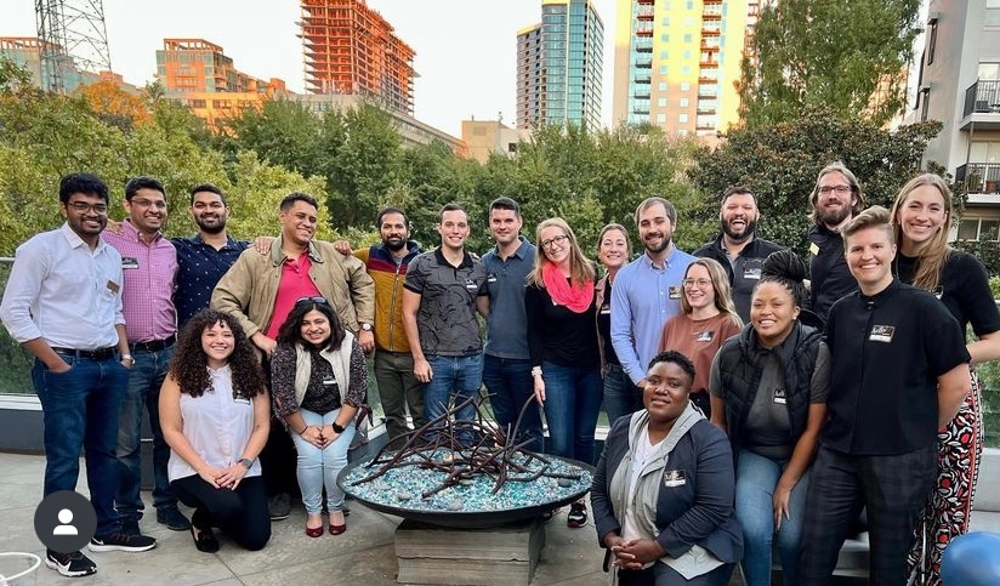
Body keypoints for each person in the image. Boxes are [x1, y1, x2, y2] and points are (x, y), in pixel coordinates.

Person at [800, 206, 972, 586]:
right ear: (846, 255)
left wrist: (916, 432)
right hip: (838, 455)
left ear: (893, 250)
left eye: (876, 246)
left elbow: (957, 385)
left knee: (889, 565)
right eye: (857, 249)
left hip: (900, 457)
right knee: (812, 555)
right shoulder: (841, 312)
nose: (867, 256)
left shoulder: (926, 309)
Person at [0, 172, 155, 578]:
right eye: (82, 206)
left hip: (110, 365)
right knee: (65, 459)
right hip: (66, 368)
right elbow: (13, 312)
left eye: (98, 207)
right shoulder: (41, 249)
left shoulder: (108, 255)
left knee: (105, 453)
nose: (92, 214)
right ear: (64, 208)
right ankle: (61, 545)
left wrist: (123, 356)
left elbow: (115, 309)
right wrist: (55, 363)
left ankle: (106, 528)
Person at [212, 191, 374, 521]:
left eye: (313, 219)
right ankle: (279, 491)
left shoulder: (329, 253)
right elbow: (223, 299)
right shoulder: (255, 258)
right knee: (273, 422)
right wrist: (256, 335)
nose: (307, 224)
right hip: (275, 354)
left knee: (330, 415)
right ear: (282, 217)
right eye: (300, 216)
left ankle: (328, 491)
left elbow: (363, 279)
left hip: (326, 354)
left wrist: (363, 326)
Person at [890, 174, 1000, 586]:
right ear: (899, 210)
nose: (922, 216)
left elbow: (996, 341)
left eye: (934, 208)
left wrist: (949, 359)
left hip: (954, 408)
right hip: (899, 406)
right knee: (899, 517)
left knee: (946, 518)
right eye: (915, 206)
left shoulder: (961, 267)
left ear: (946, 217)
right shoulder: (882, 261)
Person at [709, 250, 829, 586]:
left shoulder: (817, 353)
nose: (765, 312)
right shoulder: (730, 354)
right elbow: (718, 422)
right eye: (759, 304)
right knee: (753, 529)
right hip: (755, 453)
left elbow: (814, 429)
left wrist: (786, 485)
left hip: (802, 456)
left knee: (791, 535)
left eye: (777, 304)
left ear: (795, 312)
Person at [591, 351, 742, 586]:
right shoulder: (622, 429)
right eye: (654, 381)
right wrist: (611, 537)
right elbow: (599, 490)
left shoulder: (709, 439)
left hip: (696, 548)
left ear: (688, 393)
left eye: (674, 384)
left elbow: (713, 508)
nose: (661, 389)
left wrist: (656, 548)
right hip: (636, 551)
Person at [102, 176, 189, 534]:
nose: (154, 210)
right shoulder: (108, 241)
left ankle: (167, 503)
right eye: (145, 203)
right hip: (128, 356)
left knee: (170, 432)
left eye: (160, 204)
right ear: (127, 206)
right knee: (126, 442)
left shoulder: (171, 249)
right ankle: (127, 513)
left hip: (168, 353)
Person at [159, 309, 271, 553]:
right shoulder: (177, 377)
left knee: (256, 539)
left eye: (227, 335)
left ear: (236, 341)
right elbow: (171, 430)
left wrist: (243, 464)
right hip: (195, 470)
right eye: (211, 334)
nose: (220, 340)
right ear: (198, 338)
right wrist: (204, 469)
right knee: (226, 506)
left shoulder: (251, 376)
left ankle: (224, 510)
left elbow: (262, 426)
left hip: (241, 469)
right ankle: (202, 521)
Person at [526, 217, 602, 529]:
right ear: (542, 248)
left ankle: (579, 500)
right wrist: (537, 373)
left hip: (591, 370)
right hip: (556, 369)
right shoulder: (537, 284)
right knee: (560, 440)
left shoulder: (592, 275)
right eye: (547, 242)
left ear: (570, 239)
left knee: (585, 437)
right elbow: (533, 332)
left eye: (559, 239)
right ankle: (559, 496)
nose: (555, 246)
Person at [269, 297, 366, 537]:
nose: (313, 328)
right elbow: (283, 396)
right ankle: (313, 511)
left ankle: (334, 508)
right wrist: (303, 430)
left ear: (331, 322)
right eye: (306, 323)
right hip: (302, 412)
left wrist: (337, 427)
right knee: (310, 456)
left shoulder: (349, 344)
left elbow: (357, 391)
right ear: (297, 325)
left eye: (319, 321)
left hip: (341, 409)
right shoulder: (286, 348)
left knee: (334, 456)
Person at [335, 207, 425, 449]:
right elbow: (329, 257)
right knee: (393, 414)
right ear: (380, 230)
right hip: (383, 353)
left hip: (415, 352)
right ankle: (399, 459)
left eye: (398, 226)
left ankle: (426, 459)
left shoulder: (423, 262)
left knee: (421, 413)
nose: (393, 231)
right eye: (388, 227)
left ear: (408, 230)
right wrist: (341, 246)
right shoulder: (369, 257)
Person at [401, 203, 489, 437]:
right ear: (439, 228)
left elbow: (486, 310)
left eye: (461, 225)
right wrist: (419, 359)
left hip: (472, 358)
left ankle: (464, 472)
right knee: (434, 426)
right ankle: (438, 470)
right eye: (449, 225)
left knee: (467, 426)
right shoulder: (421, 264)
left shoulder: (478, 267)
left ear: (468, 230)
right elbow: (408, 313)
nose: (455, 230)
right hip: (435, 359)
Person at [610, 197, 696, 424]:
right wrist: (640, 379)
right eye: (645, 223)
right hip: (645, 386)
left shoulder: (695, 269)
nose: (652, 229)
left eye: (659, 221)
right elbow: (619, 334)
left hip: (689, 387)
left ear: (673, 225)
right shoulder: (625, 277)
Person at [482, 197, 543, 452]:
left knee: (528, 427)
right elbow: (484, 307)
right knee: (504, 426)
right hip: (493, 358)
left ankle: (533, 480)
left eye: (508, 220)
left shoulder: (537, 258)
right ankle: (509, 476)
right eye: (497, 221)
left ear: (520, 222)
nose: (503, 226)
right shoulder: (485, 262)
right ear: (490, 224)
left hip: (526, 359)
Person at [659, 257, 742, 418]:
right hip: (670, 407)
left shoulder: (729, 325)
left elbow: (734, 382)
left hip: (708, 410)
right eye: (689, 282)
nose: (694, 288)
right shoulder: (673, 324)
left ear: (717, 286)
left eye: (702, 282)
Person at [693, 186, 785, 323]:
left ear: (757, 214)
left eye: (747, 207)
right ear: (721, 214)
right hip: (710, 341)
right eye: (732, 207)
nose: (739, 212)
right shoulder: (699, 258)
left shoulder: (776, 256)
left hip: (759, 342)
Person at [172, 184, 250, 329]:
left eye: (215, 205)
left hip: (236, 339)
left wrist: (268, 241)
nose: (208, 210)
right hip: (190, 342)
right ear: (191, 211)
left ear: (227, 211)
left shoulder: (247, 251)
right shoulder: (177, 248)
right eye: (200, 205)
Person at [806, 162, 865, 326]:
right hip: (816, 331)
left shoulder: (867, 237)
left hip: (852, 328)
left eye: (840, 189)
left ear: (854, 198)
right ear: (817, 199)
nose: (832, 195)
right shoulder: (815, 235)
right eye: (825, 189)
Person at [595, 223, 632, 426]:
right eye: (607, 244)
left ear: (627, 250)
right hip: (612, 373)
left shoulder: (639, 283)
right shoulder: (599, 289)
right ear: (599, 251)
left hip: (640, 372)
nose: (613, 249)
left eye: (619, 243)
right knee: (618, 435)